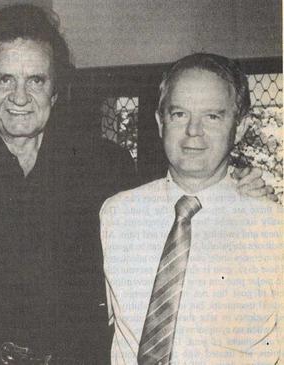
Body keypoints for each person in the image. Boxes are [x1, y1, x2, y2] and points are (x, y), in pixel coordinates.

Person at [0, 4, 272, 364]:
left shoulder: (105, 166)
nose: (20, 97)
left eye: (36, 80)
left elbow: (179, 192)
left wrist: (238, 184)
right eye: (5, 79)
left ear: (56, 91)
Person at [100, 53, 283, 364]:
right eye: (179, 114)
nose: (193, 131)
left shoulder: (272, 228)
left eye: (213, 116)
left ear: (239, 128)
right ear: (160, 122)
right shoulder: (117, 214)